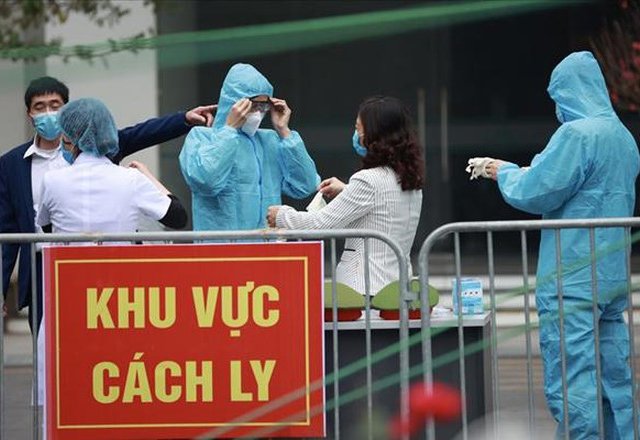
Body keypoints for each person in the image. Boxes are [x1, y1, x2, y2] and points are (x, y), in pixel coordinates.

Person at [479, 51, 639, 438]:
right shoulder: (623, 137)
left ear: (569, 92)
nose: (557, 107)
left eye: (558, 97)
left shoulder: (577, 134)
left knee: (573, 372)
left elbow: (538, 190)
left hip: (573, 274)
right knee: (613, 372)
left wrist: (503, 171)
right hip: (611, 272)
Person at [0, 76, 214, 326]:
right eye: (40, 106)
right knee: (56, 333)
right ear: (29, 113)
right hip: (47, 266)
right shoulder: (12, 164)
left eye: (55, 105)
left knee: (64, 337)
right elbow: (8, 232)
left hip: (98, 265)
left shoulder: (93, 147)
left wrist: (183, 119)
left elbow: (142, 133)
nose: (48, 113)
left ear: (68, 113)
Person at [267, 96, 424, 295]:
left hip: (363, 290)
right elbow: (383, 208)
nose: (356, 135)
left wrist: (281, 215)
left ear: (374, 135)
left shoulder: (367, 180)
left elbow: (319, 224)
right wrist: (347, 190)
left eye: (359, 129)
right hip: (397, 289)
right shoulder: (410, 181)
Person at [179, 63, 319, 232]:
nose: (258, 112)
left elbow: (306, 185)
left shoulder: (270, 141)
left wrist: (285, 132)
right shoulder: (201, 137)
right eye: (253, 105)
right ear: (234, 103)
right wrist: (229, 130)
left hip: (266, 243)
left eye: (264, 106)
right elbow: (206, 181)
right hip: (221, 246)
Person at [36, 97, 188, 235]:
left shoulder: (51, 180)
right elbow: (178, 218)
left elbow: (47, 226)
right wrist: (147, 176)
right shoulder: (131, 179)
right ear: (107, 131)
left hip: (67, 258)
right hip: (118, 258)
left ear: (69, 137)